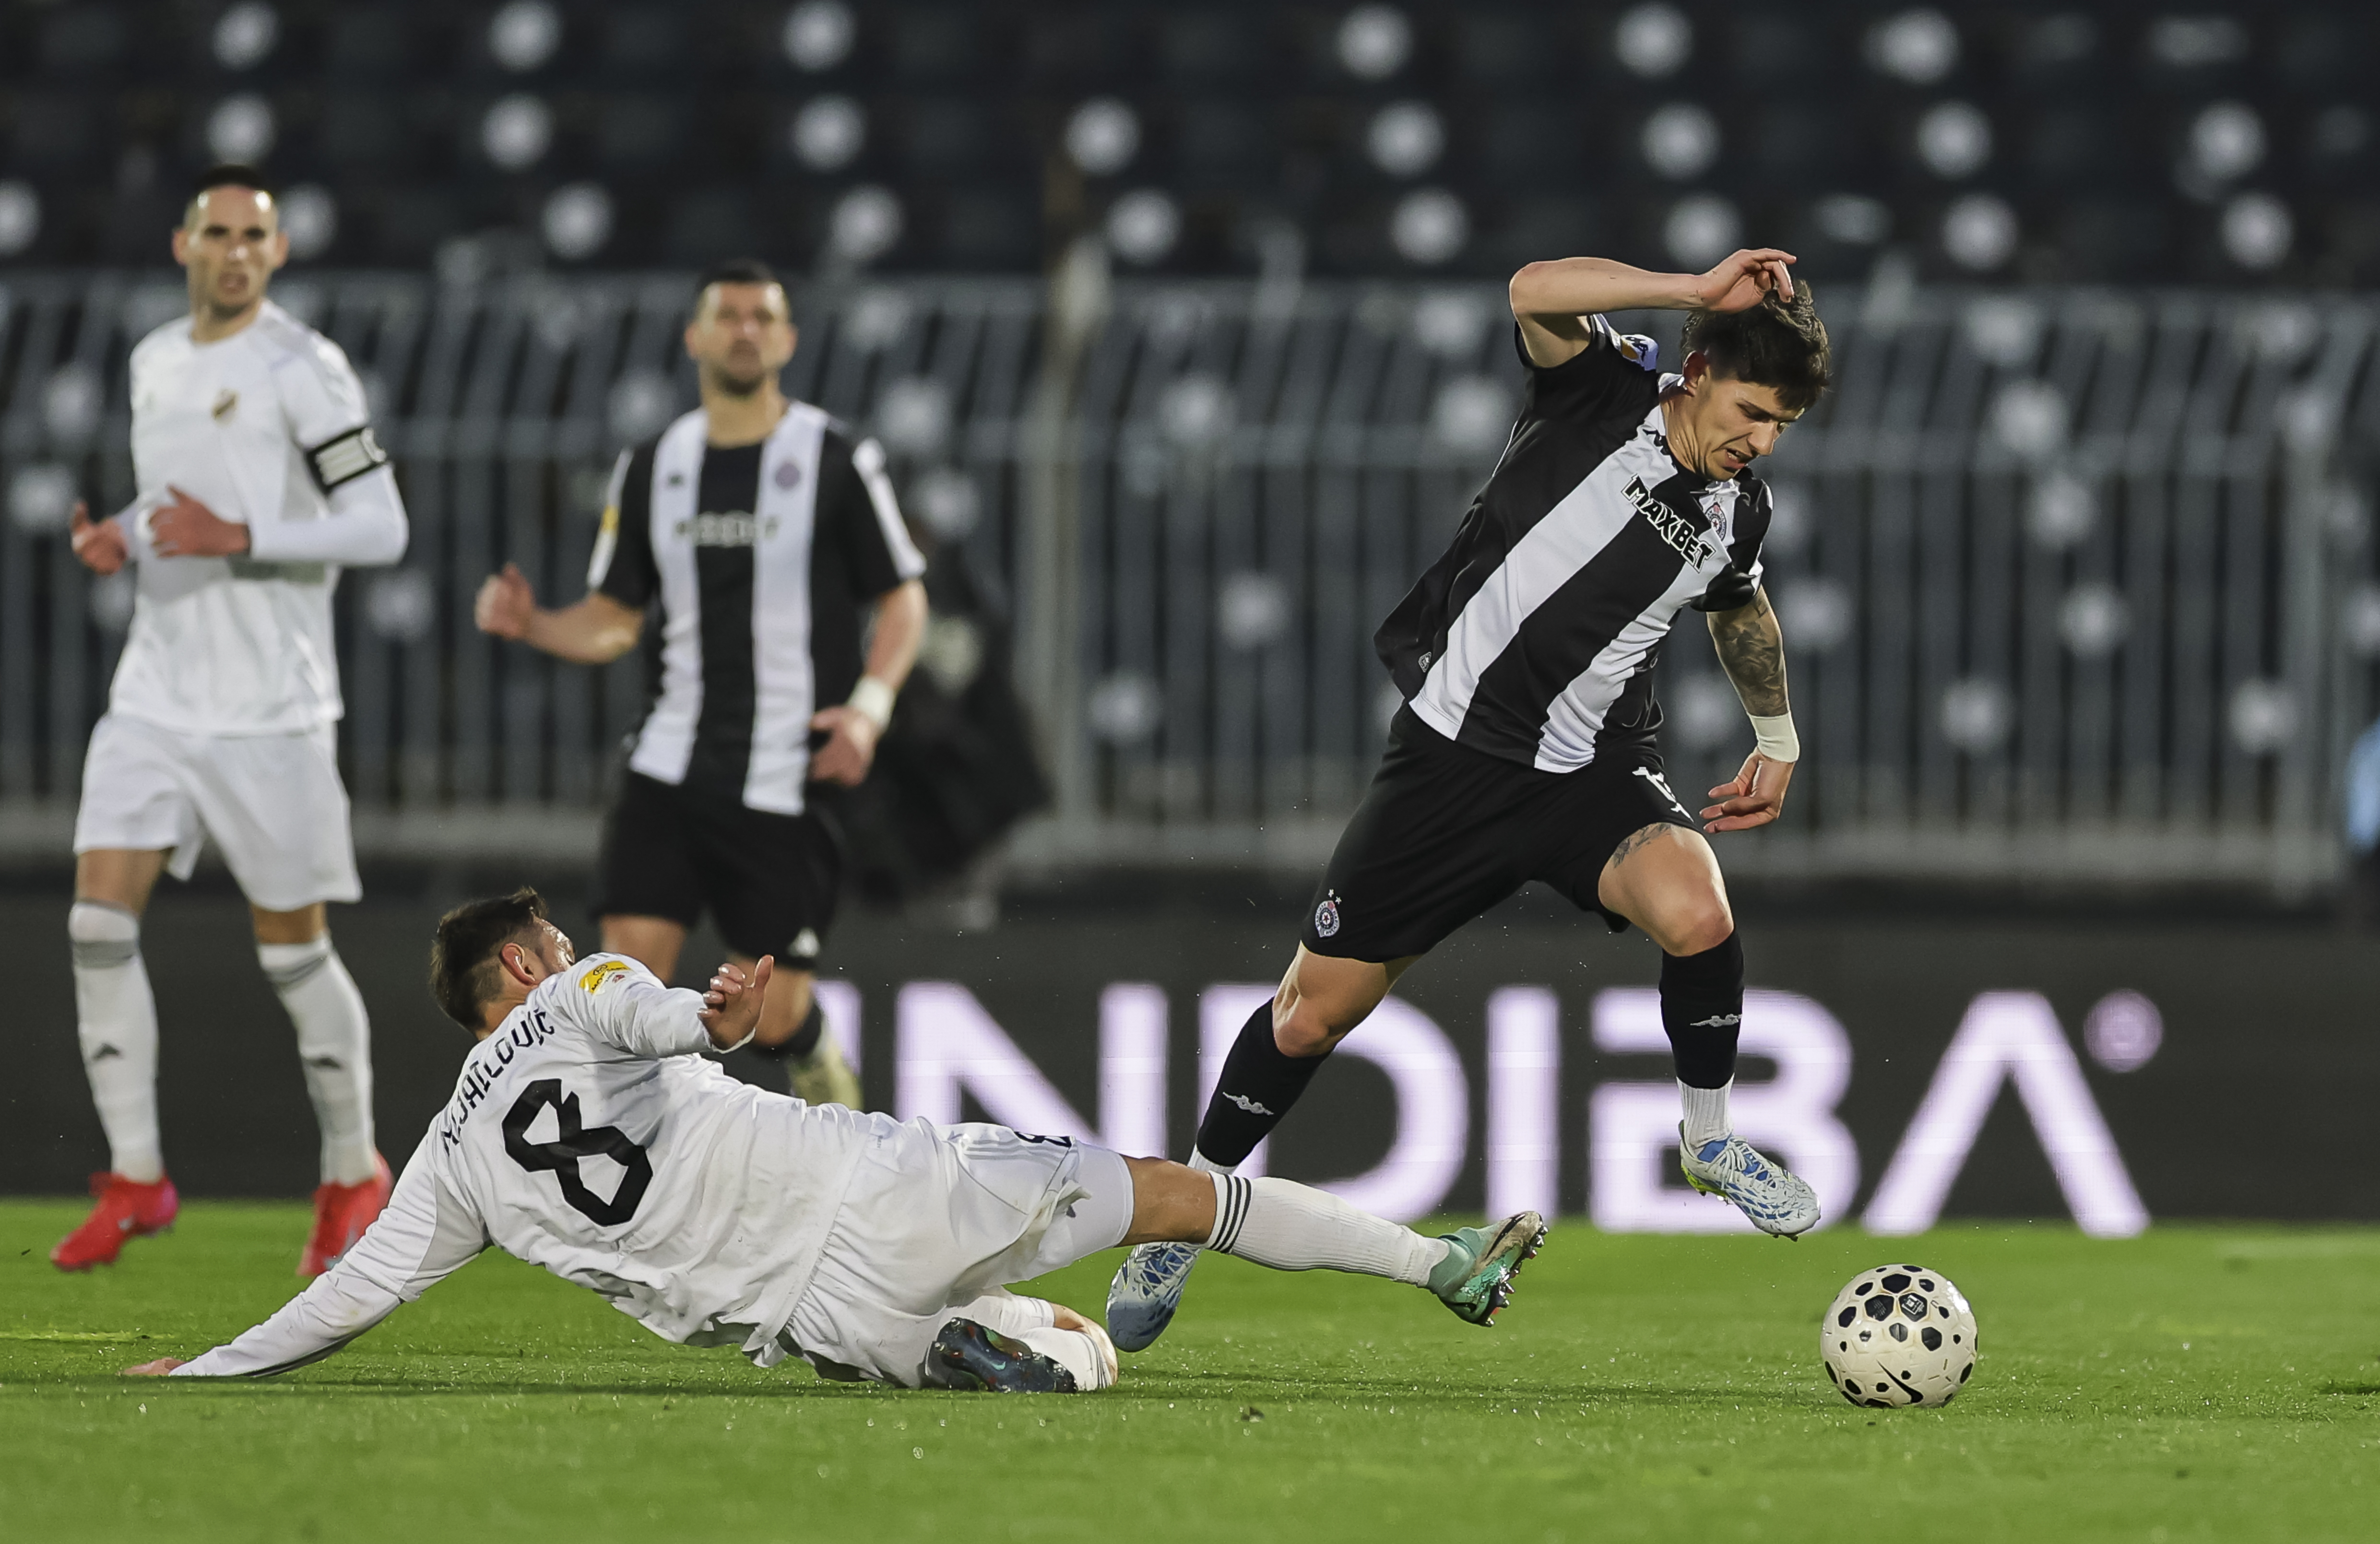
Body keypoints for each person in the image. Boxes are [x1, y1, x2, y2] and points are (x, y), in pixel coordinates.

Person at [1108, 248, 1833, 1350]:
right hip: (1453, 762)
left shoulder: (1740, 509)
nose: (1761, 439)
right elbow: (1531, 287)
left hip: (1590, 767)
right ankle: (1185, 1206)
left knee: (1700, 911)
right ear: (1696, 369)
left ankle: (1711, 1139)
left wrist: (1775, 737)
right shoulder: (1602, 388)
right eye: (1750, 410)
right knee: (1312, 1014)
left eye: (1781, 424)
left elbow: (1738, 608)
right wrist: (1694, 286)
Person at [124, 889, 1547, 1392]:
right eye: (546, 936)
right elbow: (668, 1018)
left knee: (1036, 1339)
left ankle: (967, 1346)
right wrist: (720, 1015)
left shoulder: (447, 1157)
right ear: (520, 961)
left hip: (805, 1316)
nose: (563, 946)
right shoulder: (578, 991)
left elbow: (355, 1294)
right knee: (1185, 1194)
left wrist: (204, 1368)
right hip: (870, 1186)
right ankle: (1443, 1267)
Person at [55, 164, 409, 1276]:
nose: (236, 251)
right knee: (96, 924)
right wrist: (121, 533)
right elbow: (175, 504)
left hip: (271, 709)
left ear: (280, 252)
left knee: (293, 951)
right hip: (155, 692)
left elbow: (383, 527)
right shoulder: (153, 359)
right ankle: (137, 1175)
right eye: (218, 233)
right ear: (183, 246)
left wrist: (243, 535)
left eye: (255, 236)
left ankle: (354, 1170)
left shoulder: (306, 368)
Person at [475, 259, 922, 1109]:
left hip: (786, 775)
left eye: (763, 315)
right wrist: (535, 624)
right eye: (729, 315)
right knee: (626, 983)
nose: (746, 330)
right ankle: (643, 1173)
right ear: (696, 335)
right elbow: (616, 617)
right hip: (669, 767)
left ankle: (820, 1062)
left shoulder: (834, 458)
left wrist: (867, 713)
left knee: (775, 1012)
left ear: (787, 338)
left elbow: (904, 598)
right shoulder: (653, 463)